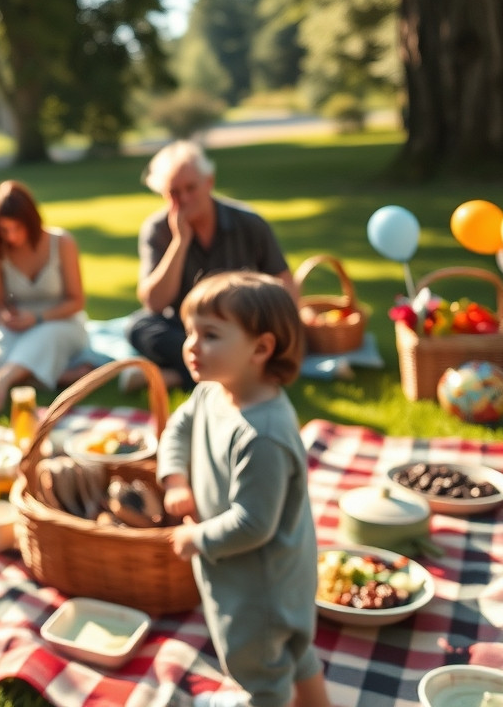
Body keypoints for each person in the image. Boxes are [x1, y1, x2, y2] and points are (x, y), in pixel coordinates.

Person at [157, 272, 330, 707]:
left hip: (262, 581)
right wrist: (175, 478)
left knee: (257, 663)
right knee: (292, 648)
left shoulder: (262, 433)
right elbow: (179, 426)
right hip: (251, 567)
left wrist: (194, 537)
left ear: (261, 348)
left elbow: (253, 523)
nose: (192, 345)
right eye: (190, 331)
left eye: (210, 335)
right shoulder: (213, 391)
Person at [125, 140, 295, 393]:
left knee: (251, 339)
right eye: (173, 192)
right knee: (139, 328)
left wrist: (288, 330)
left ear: (209, 182)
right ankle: (233, 372)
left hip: (240, 326)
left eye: (190, 188)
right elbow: (155, 303)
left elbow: (284, 284)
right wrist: (180, 242)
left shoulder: (248, 222)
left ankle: (170, 377)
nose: (183, 199)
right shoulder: (158, 229)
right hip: (187, 328)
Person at [0, 180, 92, 413]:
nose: (12, 236)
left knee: (46, 336)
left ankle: (3, 379)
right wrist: (7, 316)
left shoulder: (62, 243)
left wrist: (37, 318)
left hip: (60, 321)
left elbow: (76, 301)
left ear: (31, 220)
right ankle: (59, 377)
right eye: (4, 230)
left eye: (17, 228)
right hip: (19, 327)